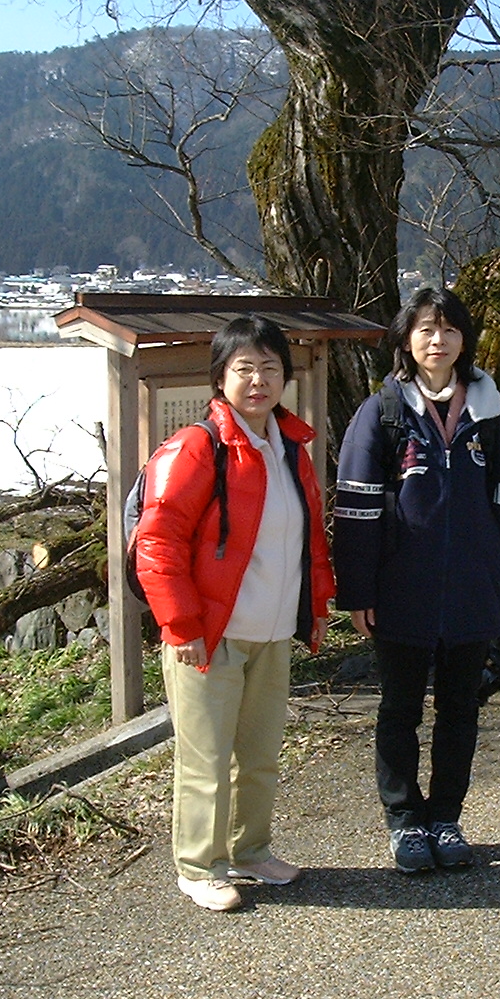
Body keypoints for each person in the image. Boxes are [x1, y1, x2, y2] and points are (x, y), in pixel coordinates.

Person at [134, 315, 334, 911]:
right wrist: (180, 625)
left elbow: (308, 538)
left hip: (270, 632)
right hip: (209, 633)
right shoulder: (196, 447)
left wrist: (316, 605)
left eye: (270, 367)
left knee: (261, 754)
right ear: (220, 377)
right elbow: (158, 542)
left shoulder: (290, 447)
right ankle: (200, 866)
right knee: (206, 760)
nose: (258, 380)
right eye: (244, 368)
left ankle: (251, 850)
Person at [333, 286, 500, 874]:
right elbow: (355, 510)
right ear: (405, 339)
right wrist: (359, 591)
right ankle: (404, 821)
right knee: (400, 709)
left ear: (464, 339)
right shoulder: (383, 412)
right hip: (402, 591)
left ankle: (445, 816)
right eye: (425, 329)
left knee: (461, 709)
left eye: (448, 329)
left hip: (471, 589)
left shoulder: (488, 414)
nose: (437, 340)